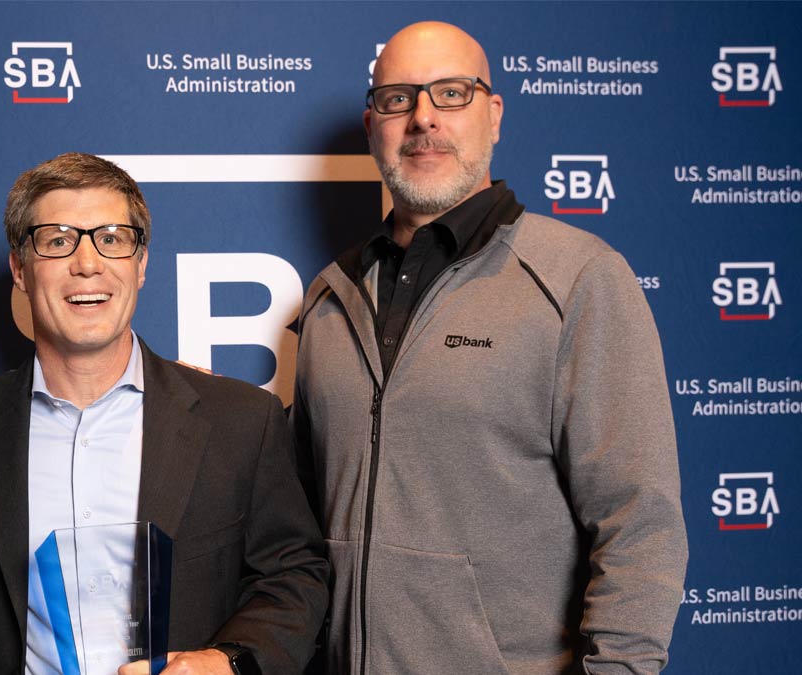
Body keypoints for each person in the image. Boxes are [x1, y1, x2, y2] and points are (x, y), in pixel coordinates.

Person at [291, 21, 688, 675]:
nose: (423, 118)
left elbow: (639, 519)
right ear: (373, 127)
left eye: (452, 93)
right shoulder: (331, 299)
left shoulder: (577, 278)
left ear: (493, 114)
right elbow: (298, 512)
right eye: (399, 99)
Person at [0, 152, 328, 675]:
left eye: (112, 239)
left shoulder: (240, 421)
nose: (87, 263)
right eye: (57, 241)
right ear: (19, 269)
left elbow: (294, 575)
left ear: (140, 264)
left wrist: (226, 662)